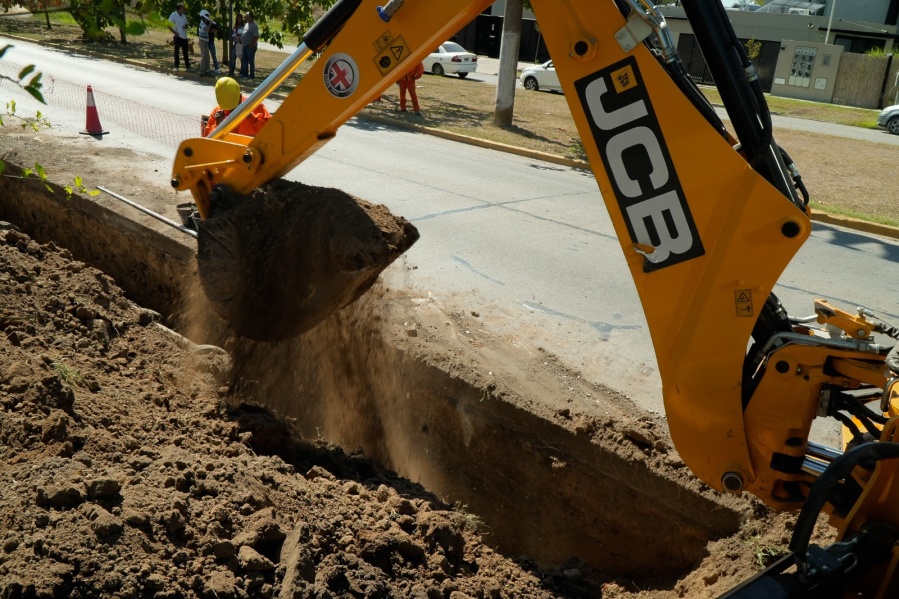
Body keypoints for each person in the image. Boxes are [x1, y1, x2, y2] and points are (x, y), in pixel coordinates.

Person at [203, 77, 271, 137]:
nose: (231, 110)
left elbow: (270, 131)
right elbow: (207, 139)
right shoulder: (217, 113)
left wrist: (251, 118)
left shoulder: (255, 106)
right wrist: (218, 126)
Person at [197, 9, 220, 76]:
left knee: (207, 56)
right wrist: (210, 23)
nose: (208, 18)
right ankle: (202, 71)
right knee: (204, 56)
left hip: (205, 42)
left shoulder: (204, 23)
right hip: (203, 42)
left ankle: (207, 70)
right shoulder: (202, 23)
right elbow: (207, 30)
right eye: (207, 16)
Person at [167, 3, 190, 71]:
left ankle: (187, 65)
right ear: (179, 9)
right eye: (183, 8)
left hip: (184, 36)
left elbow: (186, 24)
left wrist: (185, 26)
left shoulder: (184, 16)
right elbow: (168, 25)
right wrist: (175, 33)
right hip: (177, 36)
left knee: (185, 52)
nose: (184, 9)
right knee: (176, 51)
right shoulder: (173, 15)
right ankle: (176, 65)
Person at [240, 11, 259, 79]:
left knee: (251, 60)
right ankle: (245, 74)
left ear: (251, 17)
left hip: (250, 46)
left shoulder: (254, 25)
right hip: (244, 45)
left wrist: (251, 44)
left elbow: (256, 36)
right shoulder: (247, 24)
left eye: (247, 16)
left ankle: (252, 75)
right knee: (244, 60)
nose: (245, 17)